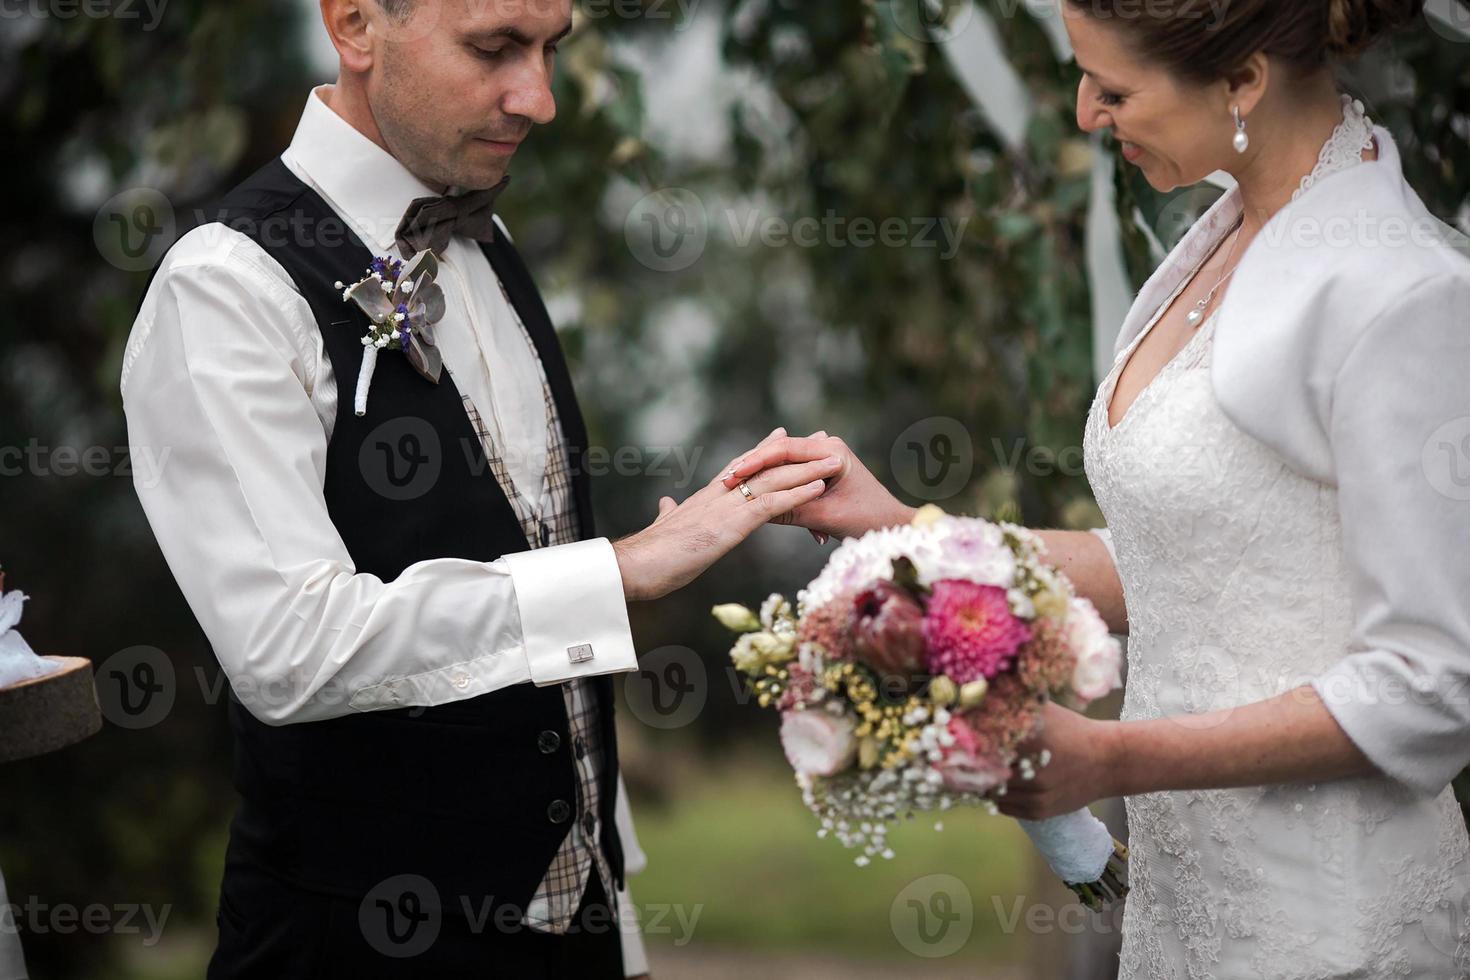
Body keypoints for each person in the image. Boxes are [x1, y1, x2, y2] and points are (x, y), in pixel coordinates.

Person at [724, 0, 1470, 974]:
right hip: (1187, 913)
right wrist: (909, 534)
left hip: (1335, 925)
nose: (1083, 113)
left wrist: (1113, 757)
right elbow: (1193, 556)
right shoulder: (1229, 232)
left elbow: (1432, 684)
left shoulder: (1398, 291)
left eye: (1112, 88)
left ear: (1243, 80)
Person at [119, 0, 837, 976]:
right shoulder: (227, 286)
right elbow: (287, 648)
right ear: (356, 24)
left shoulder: (485, 238)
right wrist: (618, 571)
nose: (537, 97)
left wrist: (605, 905)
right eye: (495, 47)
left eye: (552, 49)